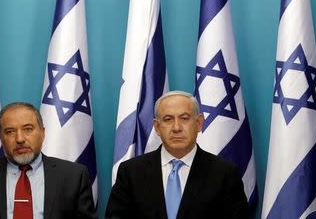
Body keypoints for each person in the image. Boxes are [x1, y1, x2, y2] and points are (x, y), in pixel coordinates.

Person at [105, 91, 249, 219]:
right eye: (168, 119)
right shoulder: (131, 171)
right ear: (157, 127)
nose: (176, 128)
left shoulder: (224, 173)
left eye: (184, 118)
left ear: (199, 123)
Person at [0, 102, 97, 219]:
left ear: (43, 133)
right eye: (10, 132)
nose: (19, 139)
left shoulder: (74, 176)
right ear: (1, 138)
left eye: (28, 129)